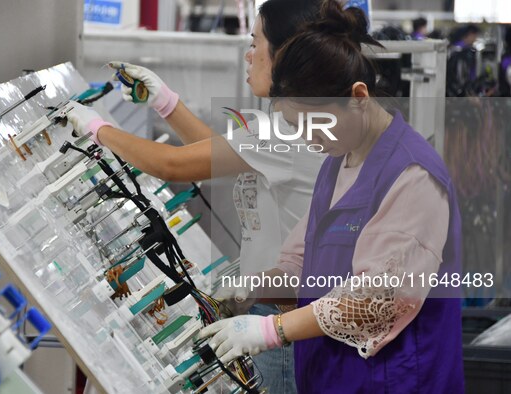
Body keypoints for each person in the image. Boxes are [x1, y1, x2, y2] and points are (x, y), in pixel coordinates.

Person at [198, 1, 464, 392]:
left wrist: (272, 330)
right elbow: (302, 267)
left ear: (358, 97)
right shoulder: (338, 163)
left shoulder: (412, 174)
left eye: (315, 124)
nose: (309, 139)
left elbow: (379, 297)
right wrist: (253, 288)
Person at [67, 1, 325, 392]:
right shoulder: (299, 123)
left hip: (282, 320)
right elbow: (217, 155)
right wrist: (165, 102)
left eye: (256, 43)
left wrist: (97, 128)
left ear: (286, 54)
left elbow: (173, 165)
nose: (248, 54)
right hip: (278, 311)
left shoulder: (286, 132)